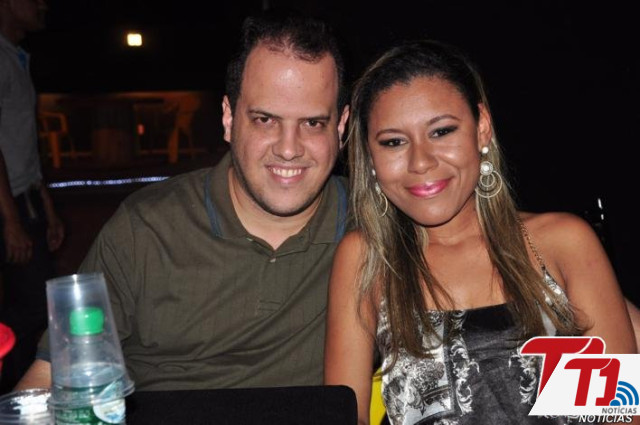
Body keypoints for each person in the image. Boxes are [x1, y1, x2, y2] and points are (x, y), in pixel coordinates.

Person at [16, 11, 350, 392]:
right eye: (265, 120)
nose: (289, 149)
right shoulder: (145, 229)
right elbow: (52, 375)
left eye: (312, 123)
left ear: (340, 127)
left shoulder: (373, 225)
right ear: (228, 119)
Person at [323, 40, 637, 425]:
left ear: (482, 128)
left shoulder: (563, 243)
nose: (420, 161)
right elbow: (344, 415)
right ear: (370, 156)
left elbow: (617, 412)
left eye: (441, 132)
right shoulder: (366, 259)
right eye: (394, 142)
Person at [0, 0, 64, 394]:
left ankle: (19, 393)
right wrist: (11, 221)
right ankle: (16, 395)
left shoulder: (17, 56)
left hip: (24, 198)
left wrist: (47, 208)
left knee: (34, 304)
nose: (43, 4)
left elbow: (22, 142)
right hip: (8, 206)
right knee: (34, 306)